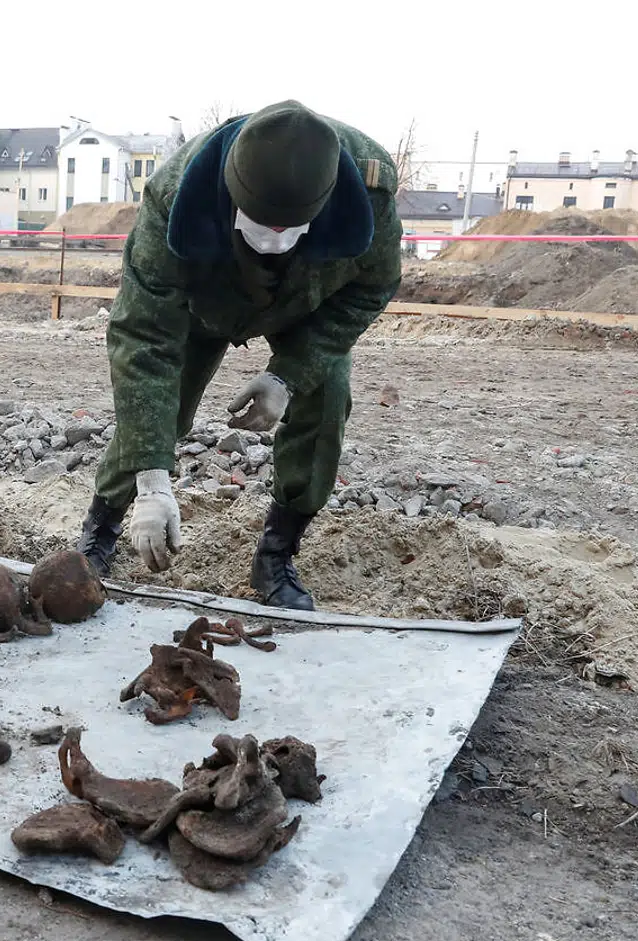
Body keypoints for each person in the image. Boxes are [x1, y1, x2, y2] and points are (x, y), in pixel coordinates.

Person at [79, 100, 402, 610]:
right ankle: (104, 526)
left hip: (304, 306)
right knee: (157, 408)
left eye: (287, 228)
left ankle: (276, 554)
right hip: (204, 300)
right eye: (262, 225)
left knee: (327, 400)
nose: (274, 241)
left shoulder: (369, 188)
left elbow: (371, 288)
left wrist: (289, 375)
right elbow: (143, 338)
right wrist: (153, 479)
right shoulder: (174, 196)